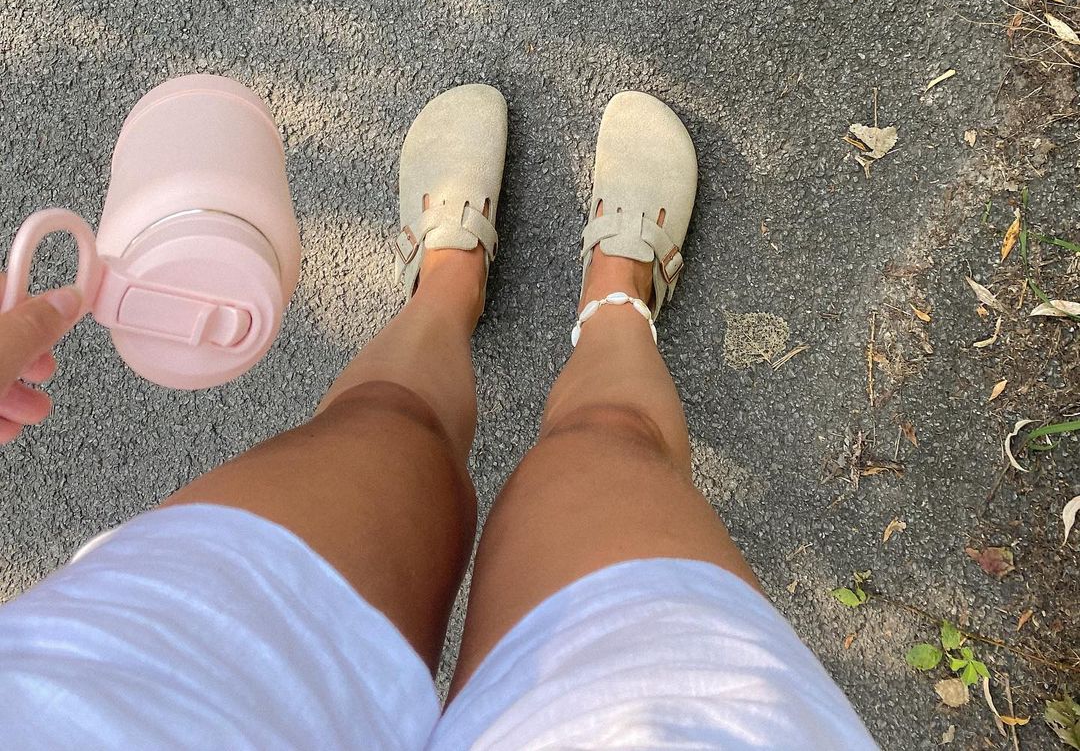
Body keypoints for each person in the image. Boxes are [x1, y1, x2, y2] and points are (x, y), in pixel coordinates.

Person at [0, 86, 875, 748]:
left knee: (382, 424)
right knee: (614, 444)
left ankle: (448, 287)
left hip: (82, 697)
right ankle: (620, 290)